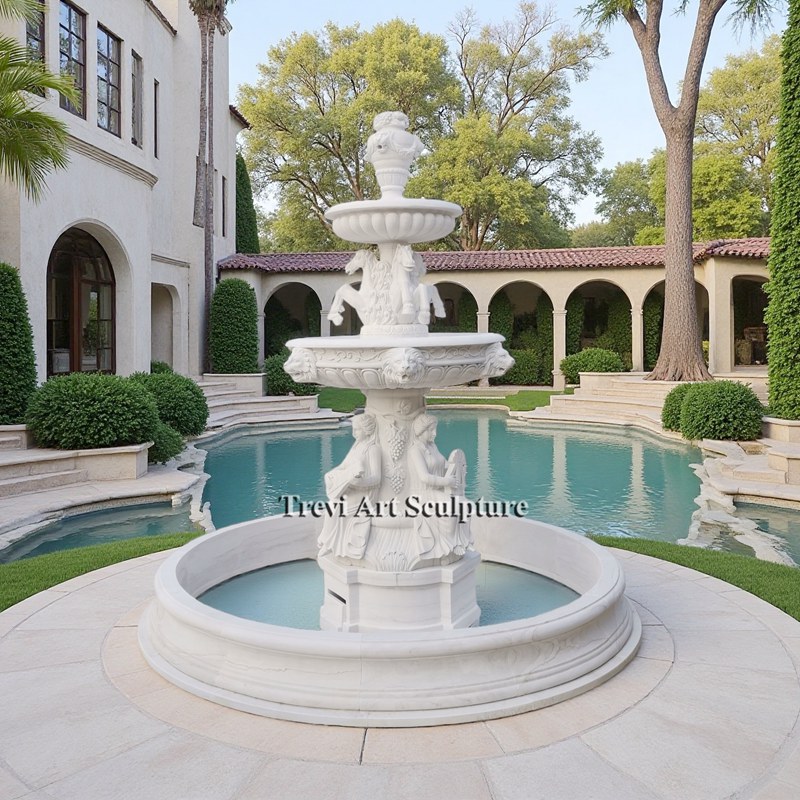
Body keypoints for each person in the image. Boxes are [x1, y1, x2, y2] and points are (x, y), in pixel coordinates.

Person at [406, 414, 471, 561]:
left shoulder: (432, 446)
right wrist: (446, 482)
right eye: (431, 430)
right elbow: (424, 477)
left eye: (435, 429)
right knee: (450, 508)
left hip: (437, 490)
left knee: (465, 504)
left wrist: (456, 466)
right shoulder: (415, 451)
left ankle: (459, 542)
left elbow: (442, 464)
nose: (435, 433)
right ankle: (446, 548)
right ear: (421, 431)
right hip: (422, 494)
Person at [318, 413, 381, 561]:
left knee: (335, 507)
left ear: (367, 430)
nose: (354, 433)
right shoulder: (356, 446)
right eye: (353, 429)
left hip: (366, 493)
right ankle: (329, 543)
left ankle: (328, 543)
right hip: (352, 487)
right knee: (333, 505)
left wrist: (360, 483)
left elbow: (377, 478)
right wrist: (333, 475)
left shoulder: (373, 449)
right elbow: (343, 467)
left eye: (357, 430)